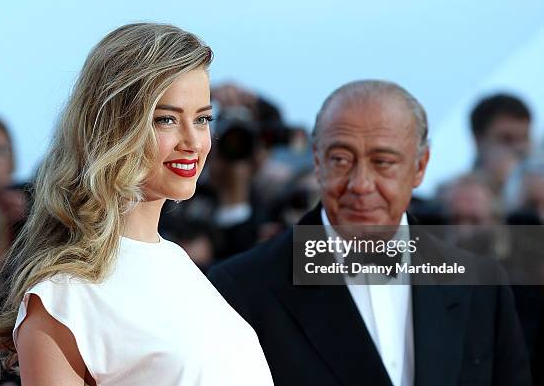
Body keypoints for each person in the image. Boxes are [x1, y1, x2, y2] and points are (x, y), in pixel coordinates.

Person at [0, 23, 273, 386]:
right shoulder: (63, 298)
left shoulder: (180, 265)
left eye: (202, 119)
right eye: (166, 119)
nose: (193, 141)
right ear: (115, 127)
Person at [208, 80, 531, 386]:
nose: (361, 184)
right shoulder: (241, 290)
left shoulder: (480, 284)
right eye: (341, 160)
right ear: (318, 163)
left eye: (383, 162)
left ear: (420, 166)